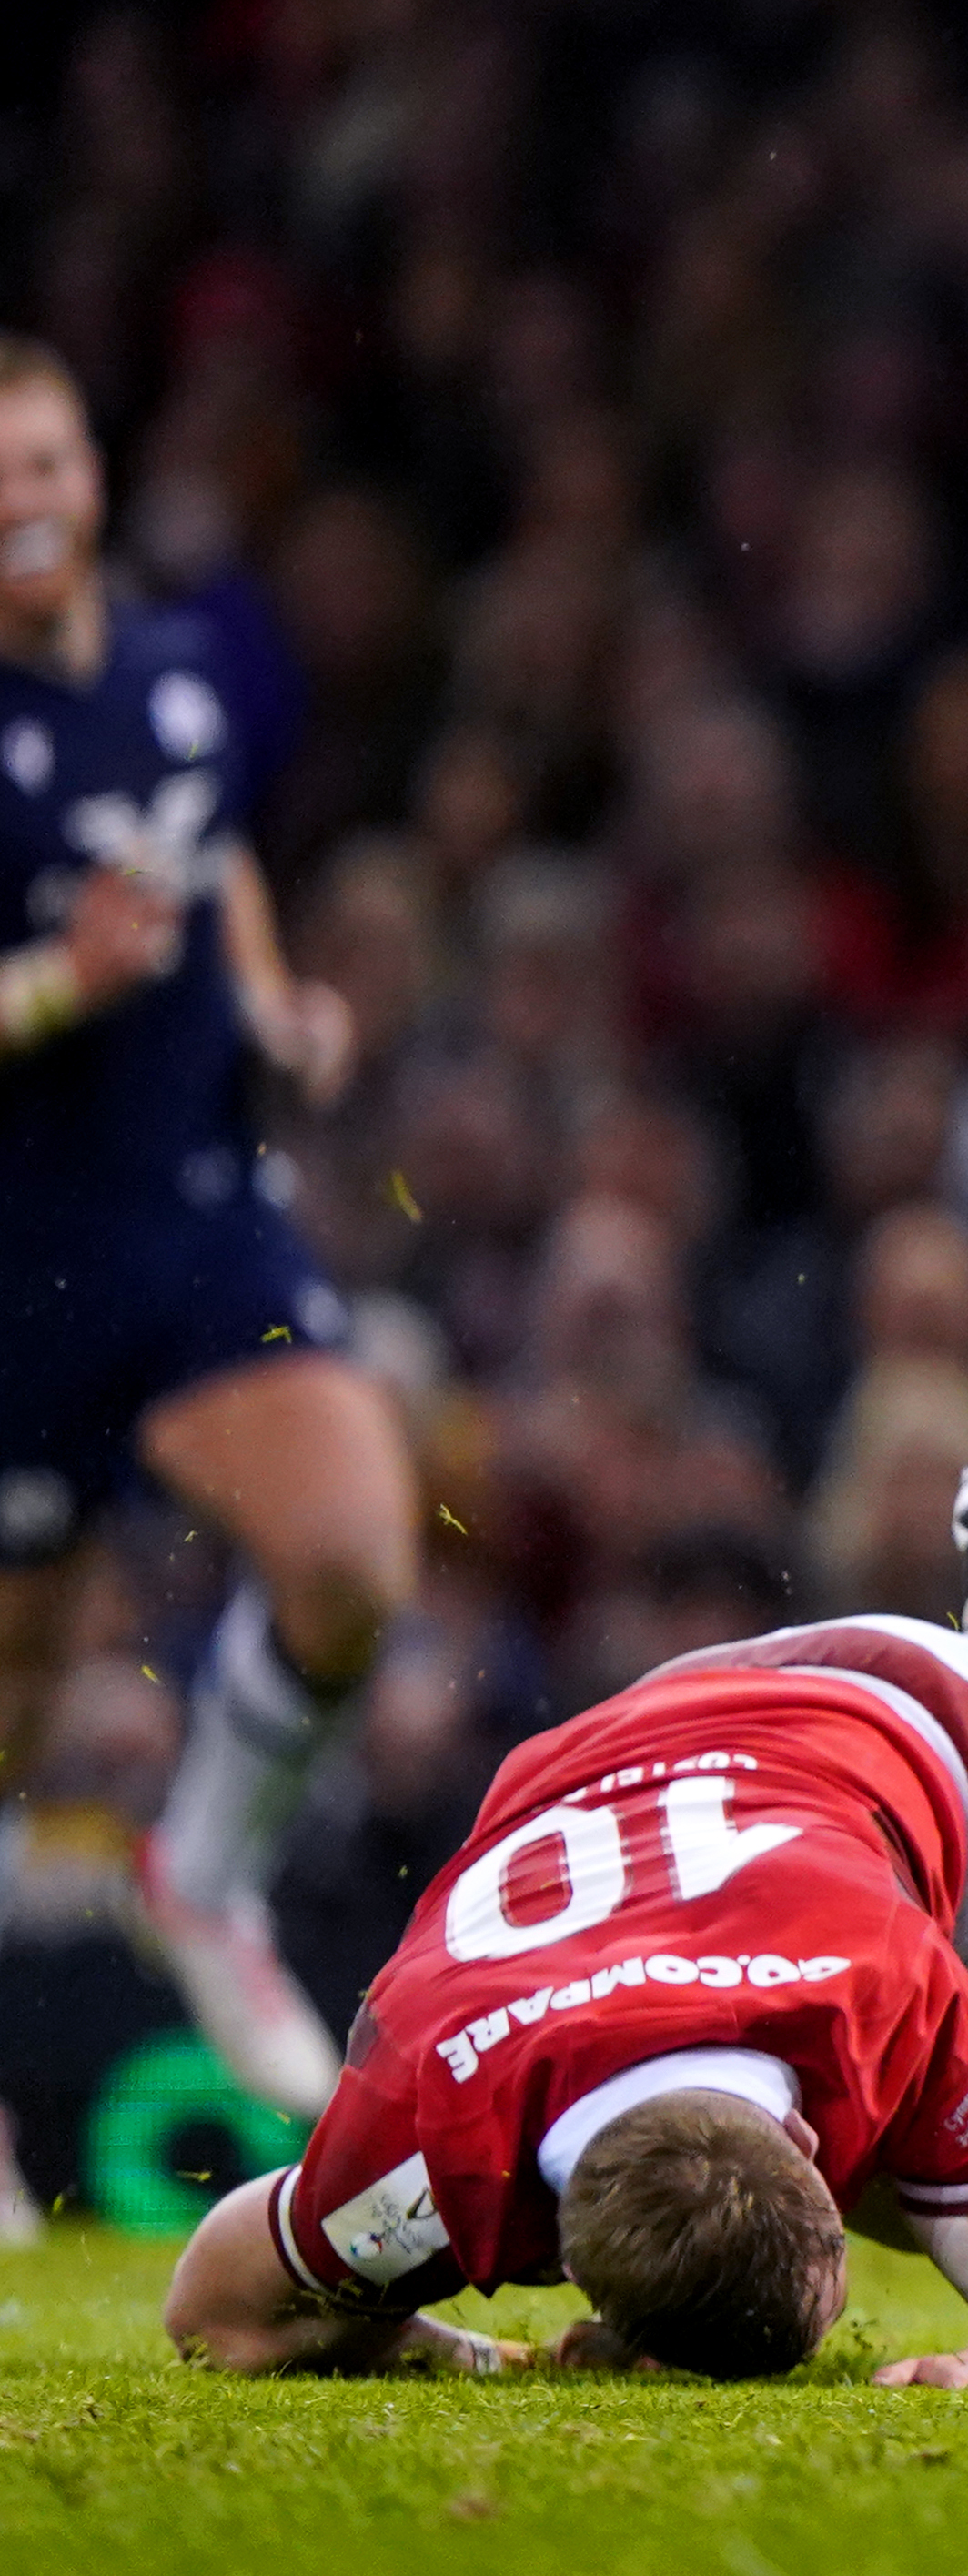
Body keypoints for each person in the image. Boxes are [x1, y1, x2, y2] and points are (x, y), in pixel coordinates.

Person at [158, 1467, 968, 2385]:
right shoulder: (426, 2144)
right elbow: (222, 2312)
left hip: (942, 1729)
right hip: (647, 1720)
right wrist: (445, 2346)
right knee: (954, 2188)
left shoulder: (890, 1992)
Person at [0, 334, 412, 2154]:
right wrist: (47, 988)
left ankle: (206, 1874)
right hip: (22, 1254)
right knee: (13, 1684)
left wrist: (273, 997)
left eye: (50, 462)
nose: (32, 501)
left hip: (194, 1211)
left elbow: (214, 846)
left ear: (92, 476)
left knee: (353, 1559)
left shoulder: (175, 672)